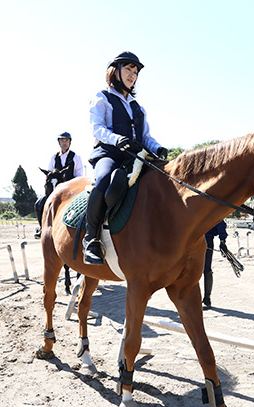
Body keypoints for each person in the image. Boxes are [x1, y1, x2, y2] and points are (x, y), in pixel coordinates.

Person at [83, 51, 168, 265]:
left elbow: (146, 136)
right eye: (129, 69)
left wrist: (158, 149)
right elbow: (97, 129)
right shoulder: (102, 97)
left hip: (135, 157)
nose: (133, 75)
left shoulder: (138, 107)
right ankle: (91, 240)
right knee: (103, 180)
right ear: (115, 71)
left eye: (135, 71)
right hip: (109, 153)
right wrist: (116, 139)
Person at [34, 132, 84, 233]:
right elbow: (49, 173)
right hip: (55, 190)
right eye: (62, 140)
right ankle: (42, 229)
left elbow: (79, 175)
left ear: (70, 143)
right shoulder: (54, 157)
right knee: (38, 204)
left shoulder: (76, 157)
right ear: (59, 142)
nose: (64, 143)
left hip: (71, 190)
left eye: (66, 140)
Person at [202, 220, 228, 310]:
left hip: (206, 242)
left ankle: (207, 299)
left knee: (206, 270)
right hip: (190, 242)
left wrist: (222, 240)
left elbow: (219, 221)